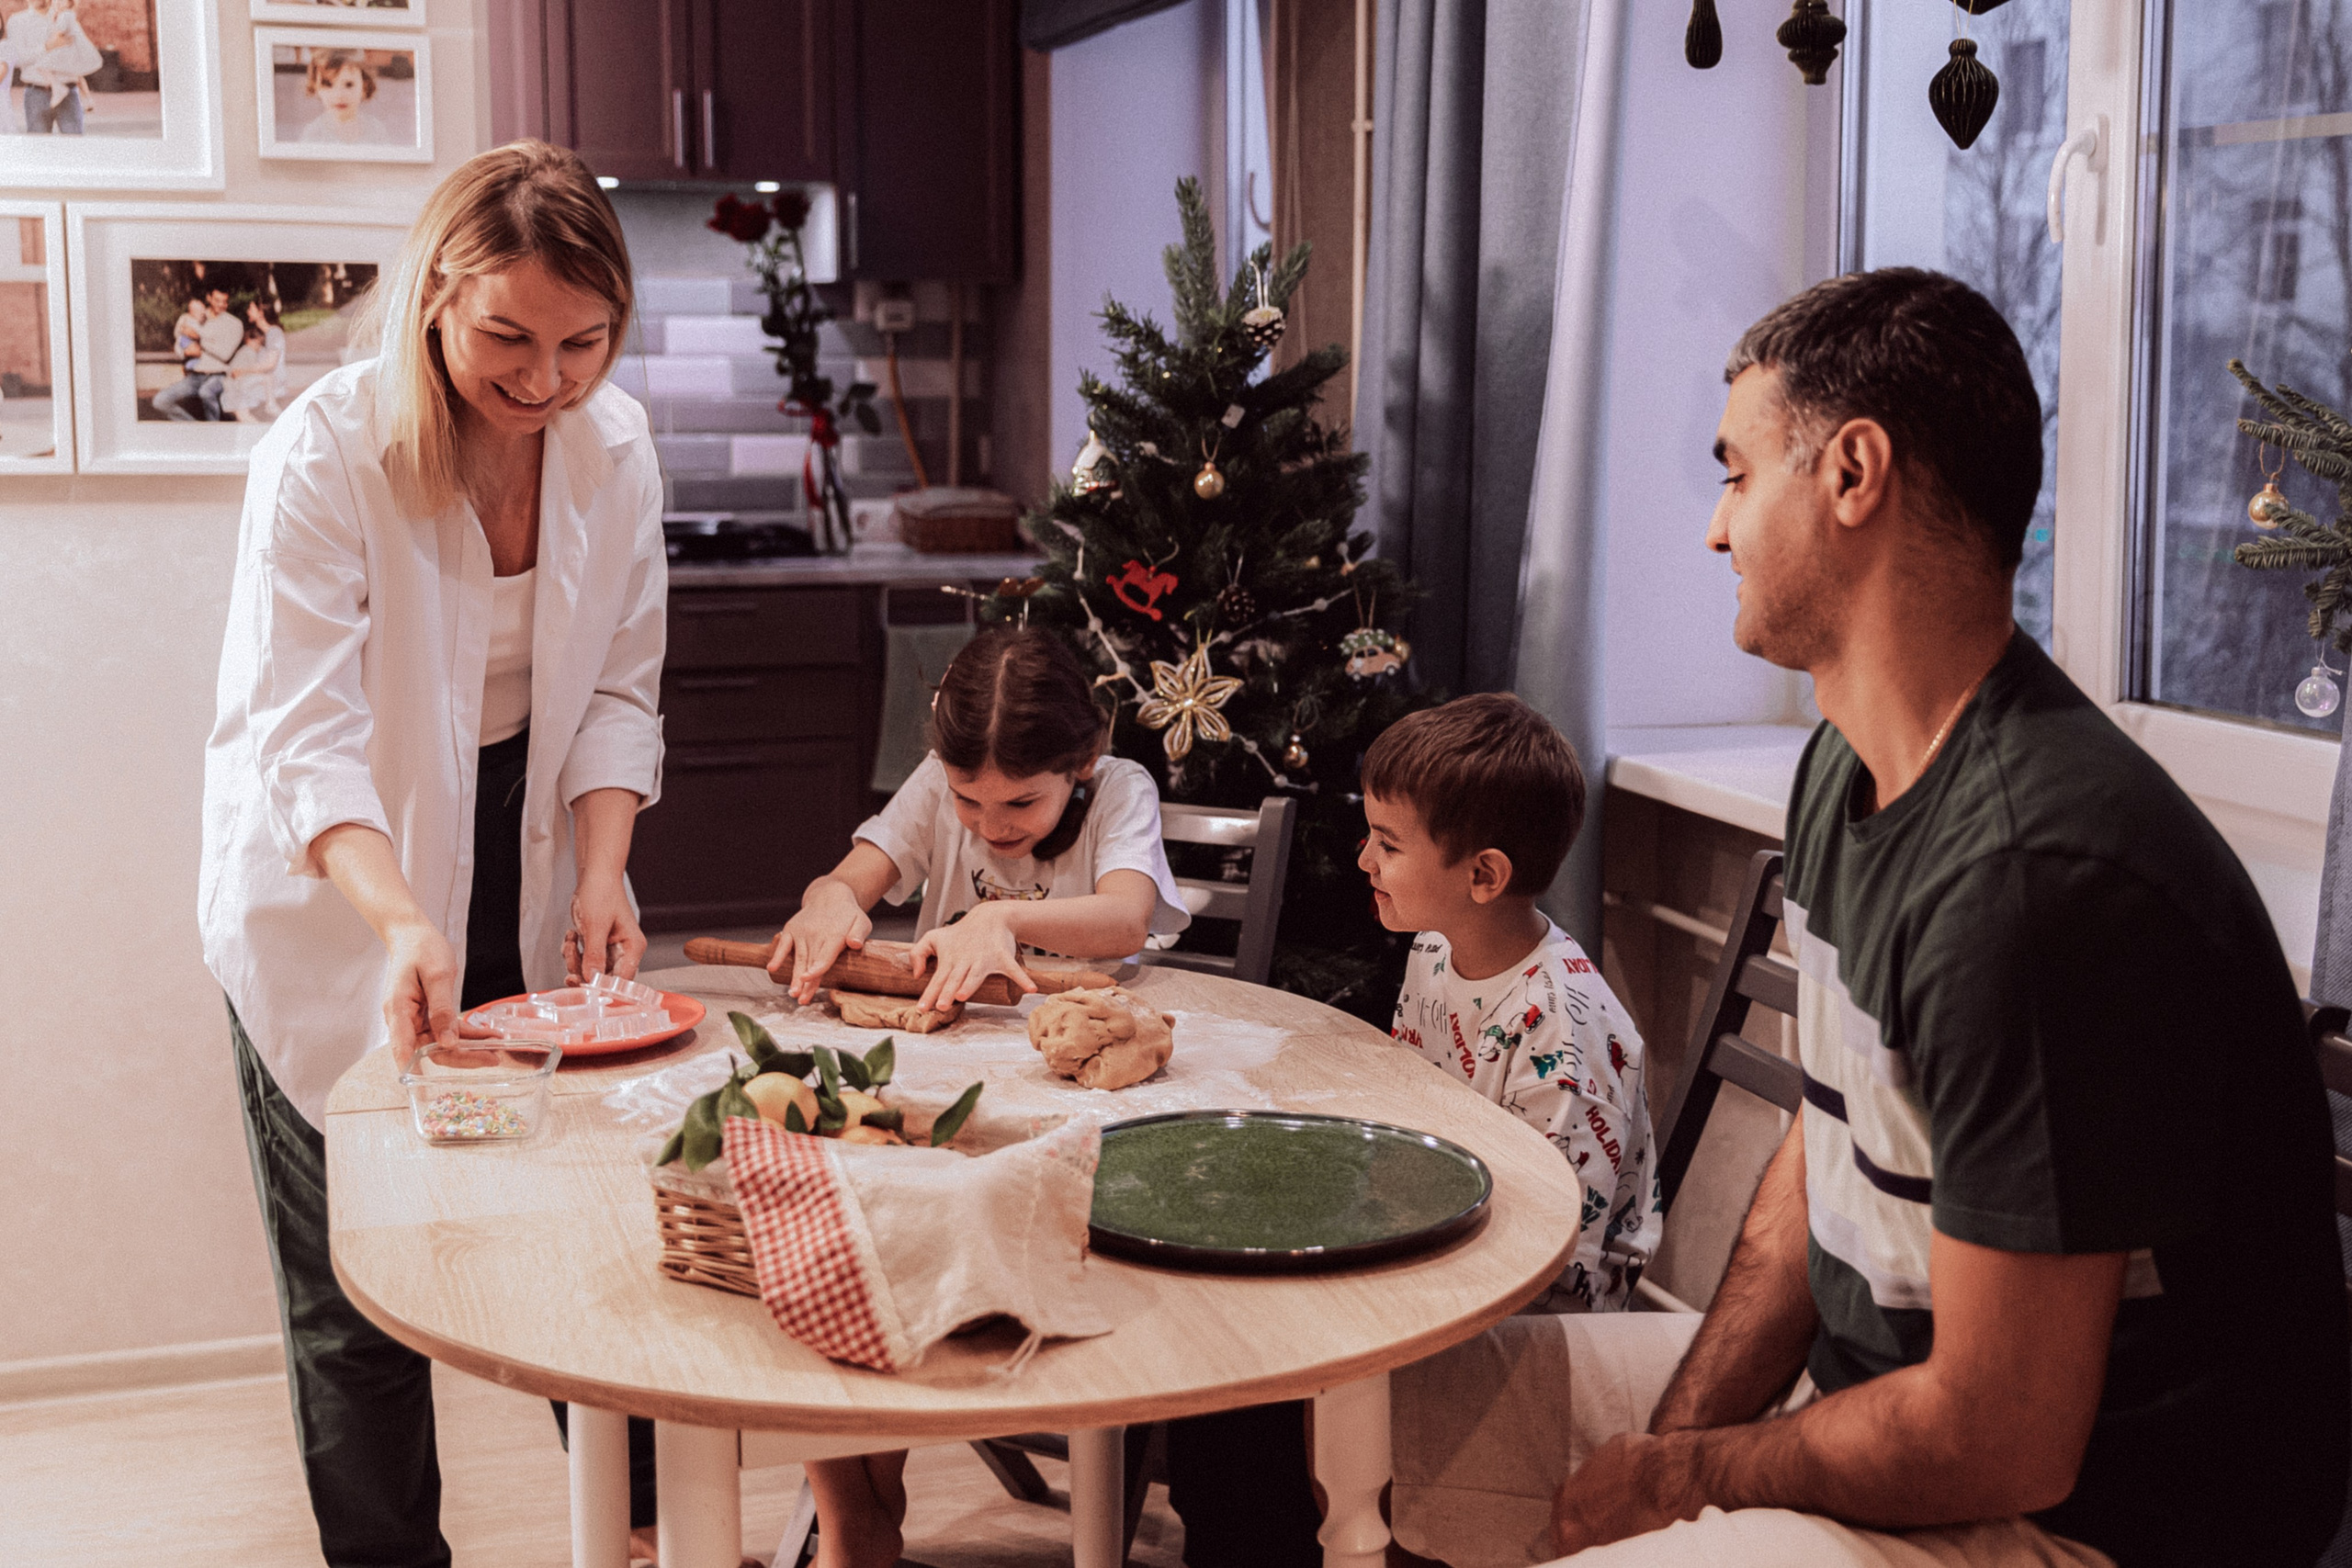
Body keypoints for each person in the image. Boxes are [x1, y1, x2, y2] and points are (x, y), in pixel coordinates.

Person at [1384, 267, 2350, 1568]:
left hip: (2090, 1519)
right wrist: (1671, 1451)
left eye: (1734, 473)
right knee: (1379, 1410)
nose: (1714, 529)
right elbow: (1823, 1152)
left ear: (1852, 473)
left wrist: (1691, 1475)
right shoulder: (1848, 762)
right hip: (1878, 1415)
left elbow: (2001, 1434)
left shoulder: (2036, 877)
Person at [200, 141, 667, 1568]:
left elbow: (619, 694)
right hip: (339, 874)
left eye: (584, 342)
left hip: (529, 827)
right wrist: (404, 920)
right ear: (434, 301)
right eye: (507, 339)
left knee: (591, 1235)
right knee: (357, 1294)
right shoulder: (326, 454)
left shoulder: (619, 449)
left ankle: (638, 1539)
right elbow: (310, 736)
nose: (547, 379)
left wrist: (599, 869)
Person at [1161, 694, 1663, 1568]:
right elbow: (1408, 1107)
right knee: (1220, 1367)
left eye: (1388, 844)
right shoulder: (1436, 947)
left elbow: (1556, 1254)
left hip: (1524, 1309)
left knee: (1253, 1397)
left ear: (1484, 875)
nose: (1363, 858)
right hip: (1435, 1232)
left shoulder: (1563, 1028)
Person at [765, 625, 1192, 1568]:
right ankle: (854, 1518)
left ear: (1079, 764)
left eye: (1019, 805)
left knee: (913, 1221)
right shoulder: (937, 785)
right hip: (937, 1086)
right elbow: (853, 876)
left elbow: (1123, 916)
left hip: (1072, 1102)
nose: (988, 825)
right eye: (966, 798)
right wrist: (830, 898)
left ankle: (865, 1519)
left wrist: (998, 912)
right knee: (835, 1210)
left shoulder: (1119, 789)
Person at [9, 0, 96, 134]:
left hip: (68, 90)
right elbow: (19, 59)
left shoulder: (64, 16)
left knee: (75, 146)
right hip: (36, 93)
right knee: (38, 148)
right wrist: (49, 46)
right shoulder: (17, 21)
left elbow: (77, 49)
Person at [154, 287, 236, 422]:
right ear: (209, 299)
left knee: (206, 392)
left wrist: (199, 338)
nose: (221, 305)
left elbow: (224, 353)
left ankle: (214, 431)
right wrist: (184, 352)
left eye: (224, 301)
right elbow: (179, 340)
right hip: (195, 376)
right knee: (160, 400)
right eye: (217, 300)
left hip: (217, 375)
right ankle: (194, 427)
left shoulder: (231, 324)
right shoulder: (190, 319)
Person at [297, 48, 395, 145]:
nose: (339, 95)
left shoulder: (376, 130)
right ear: (315, 87)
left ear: (364, 87)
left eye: (349, 84)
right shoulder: (314, 134)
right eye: (328, 84)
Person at [220, 298, 288, 423]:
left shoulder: (274, 333)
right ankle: (254, 430)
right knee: (234, 393)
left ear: (261, 313)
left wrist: (243, 371)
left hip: (272, 383)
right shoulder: (267, 334)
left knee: (236, 397)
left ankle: (256, 430)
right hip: (264, 381)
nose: (248, 312)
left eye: (251, 309)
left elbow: (270, 364)